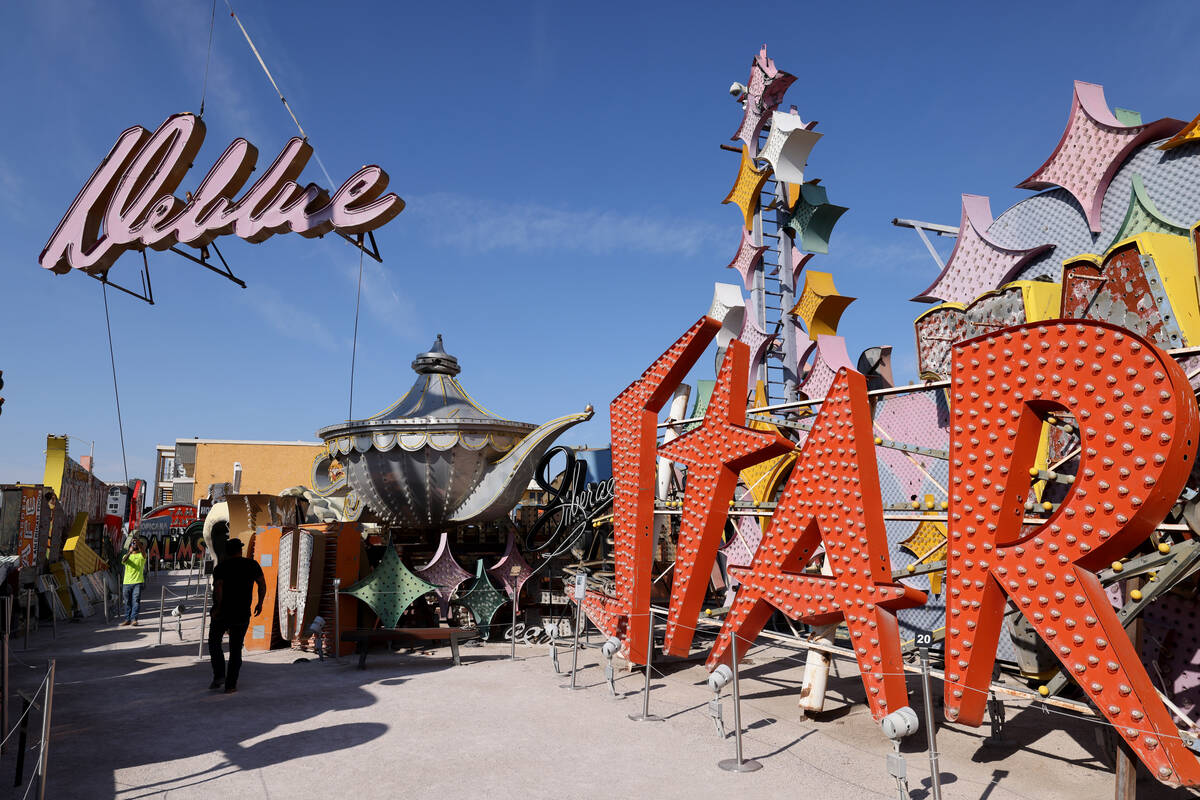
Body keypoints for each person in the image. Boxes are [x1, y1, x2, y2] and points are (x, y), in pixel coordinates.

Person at [208, 538, 265, 694]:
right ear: (240, 550)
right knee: (235, 648)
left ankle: (219, 674)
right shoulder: (252, 565)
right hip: (241, 612)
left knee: (214, 643)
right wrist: (260, 603)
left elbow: (218, 588)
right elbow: (262, 583)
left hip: (222, 612)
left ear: (226, 552)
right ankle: (230, 685)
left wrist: (218, 607)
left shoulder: (221, 567)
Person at [119, 537, 146, 626]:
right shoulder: (127, 556)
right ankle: (127, 619)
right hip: (126, 583)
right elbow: (123, 560)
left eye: (136, 545)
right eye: (133, 544)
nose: (134, 545)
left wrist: (138, 543)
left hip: (137, 582)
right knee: (127, 602)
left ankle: (134, 619)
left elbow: (142, 551)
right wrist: (129, 552)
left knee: (136, 601)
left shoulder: (141, 556)